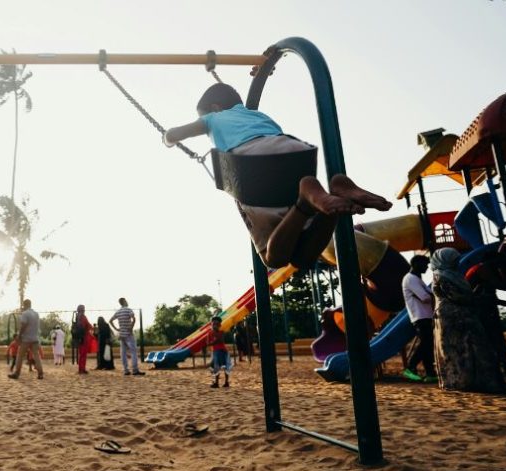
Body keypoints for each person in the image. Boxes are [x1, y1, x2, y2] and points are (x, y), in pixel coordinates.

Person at [164, 83, 391, 269]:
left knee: (273, 259)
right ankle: (336, 192)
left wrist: (168, 139)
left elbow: (176, 134)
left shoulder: (212, 118)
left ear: (214, 107)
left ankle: (305, 199)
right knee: (302, 258)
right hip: (295, 154)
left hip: (255, 165)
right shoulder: (256, 115)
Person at [430, 248, 506, 393]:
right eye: (454, 260)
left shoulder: (455, 275)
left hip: (466, 316)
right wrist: (476, 298)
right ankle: (461, 382)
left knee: (473, 348)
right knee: (458, 350)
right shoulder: (441, 276)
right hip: (451, 319)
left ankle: (479, 381)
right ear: (445, 260)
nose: (457, 263)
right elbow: (458, 296)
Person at [401, 255, 437, 383]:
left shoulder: (417, 279)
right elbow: (425, 297)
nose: (427, 267)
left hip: (425, 315)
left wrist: (430, 294)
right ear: (416, 264)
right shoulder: (411, 279)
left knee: (428, 345)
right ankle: (410, 367)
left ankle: (430, 373)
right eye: (424, 264)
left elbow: (429, 294)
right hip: (420, 316)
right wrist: (431, 295)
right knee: (426, 343)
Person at [9, 299, 44, 379]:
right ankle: (40, 373)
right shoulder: (36, 314)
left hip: (26, 338)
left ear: (24, 305)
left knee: (20, 355)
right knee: (36, 356)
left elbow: (23, 325)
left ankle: (17, 373)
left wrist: (19, 335)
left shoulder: (25, 314)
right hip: (35, 337)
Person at [110, 298, 144, 376]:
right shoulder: (128, 310)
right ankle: (135, 370)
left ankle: (126, 370)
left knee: (123, 353)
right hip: (128, 334)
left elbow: (111, 320)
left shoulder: (118, 311)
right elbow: (134, 318)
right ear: (124, 302)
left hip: (122, 334)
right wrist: (131, 327)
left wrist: (116, 328)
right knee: (133, 352)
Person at [207, 316, 232, 388]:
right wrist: (214, 341)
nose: (215, 326)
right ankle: (216, 382)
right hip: (215, 351)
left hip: (223, 351)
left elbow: (221, 340)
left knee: (225, 367)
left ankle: (226, 382)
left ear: (220, 325)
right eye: (214, 324)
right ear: (211, 324)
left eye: (217, 324)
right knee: (215, 366)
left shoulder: (221, 332)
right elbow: (208, 343)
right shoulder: (210, 333)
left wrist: (214, 341)